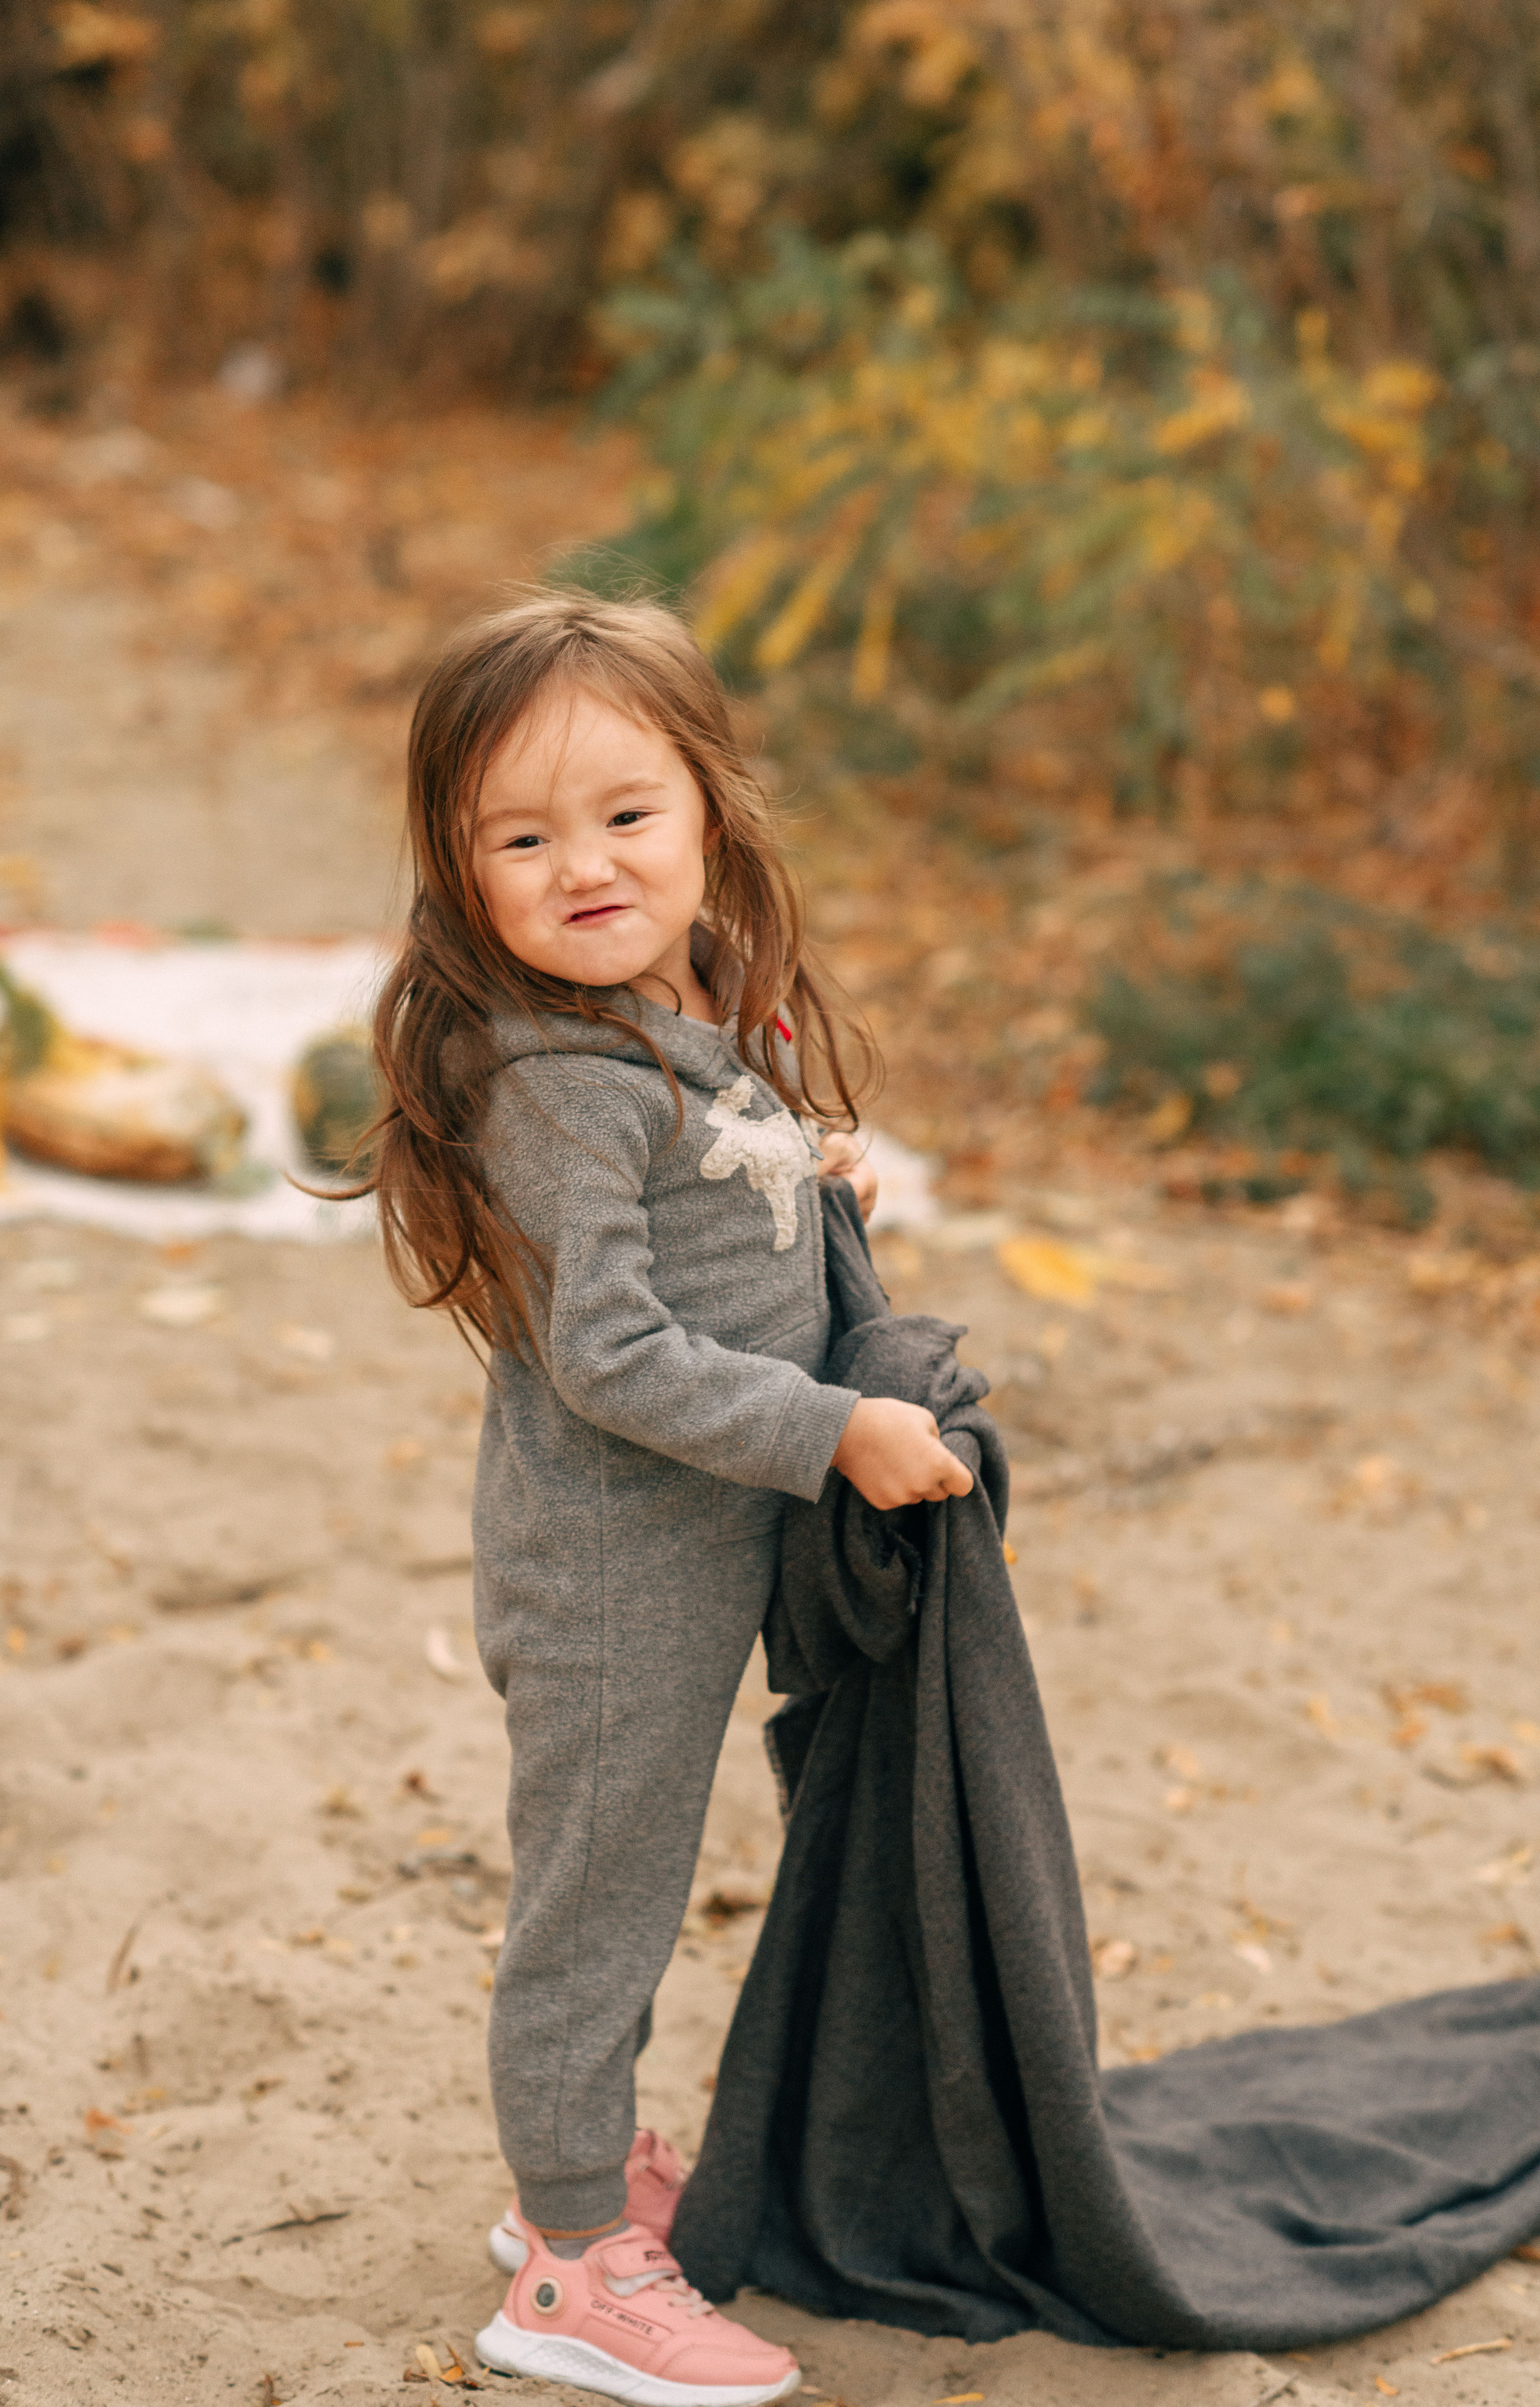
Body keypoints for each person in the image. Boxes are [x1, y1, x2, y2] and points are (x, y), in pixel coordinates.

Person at [361, 590, 974, 2405]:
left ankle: (579, 2169)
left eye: (625, 815)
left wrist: (807, 1169)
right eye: (521, 838)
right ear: (460, 871)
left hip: (697, 1558)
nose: (584, 866)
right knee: (600, 1902)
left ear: (709, 807)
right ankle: (560, 2268)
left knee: (633, 1881)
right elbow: (612, 1350)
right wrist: (831, 1429)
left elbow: (711, 1176)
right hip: (612, 1580)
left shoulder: (682, 999)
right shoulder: (552, 1071)